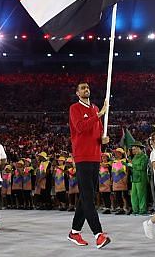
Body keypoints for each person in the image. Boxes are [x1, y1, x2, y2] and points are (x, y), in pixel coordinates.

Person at [67, 82, 111, 249]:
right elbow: (80, 127)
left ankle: (74, 232)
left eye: (87, 87)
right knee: (88, 197)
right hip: (82, 157)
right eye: (82, 88)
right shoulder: (74, 108)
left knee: (87, 197)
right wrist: (99, 114)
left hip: (95, 156)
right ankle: (98, 235)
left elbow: (97, 133)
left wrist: (103, 140)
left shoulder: (94, 108)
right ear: (78, 93)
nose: (86, 90)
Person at [129, 142, 149, 216]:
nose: (133, 151)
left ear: (138, 148)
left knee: (141, 195)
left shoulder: (144, 157)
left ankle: (142, 210)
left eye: (134, 149)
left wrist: (132, 165)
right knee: (133, 195)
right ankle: (135, 210)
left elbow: (142, 167)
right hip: (134, 178)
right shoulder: (134, 157)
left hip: (141, 178)